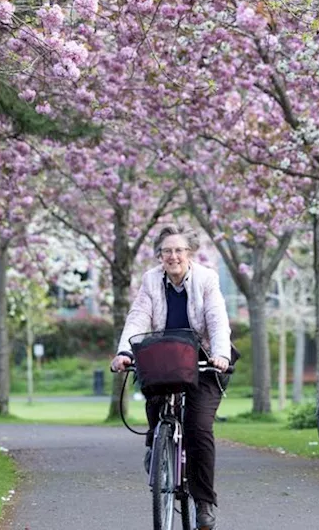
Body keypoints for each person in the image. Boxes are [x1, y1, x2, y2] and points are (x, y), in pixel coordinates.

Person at [110, 224, 231, 530]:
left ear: (190, 254)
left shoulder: (207, 279)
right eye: (167, 251)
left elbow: (217, 318)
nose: (173, 256)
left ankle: (204, 502)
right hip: (166, 357)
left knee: (198, 428)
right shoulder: (151, 280)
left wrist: (221, 355)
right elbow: (138, 316)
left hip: (204, 361)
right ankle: (157, 441)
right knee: (153, 392)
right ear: (160, 255)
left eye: (179, 250)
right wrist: (125, 352)